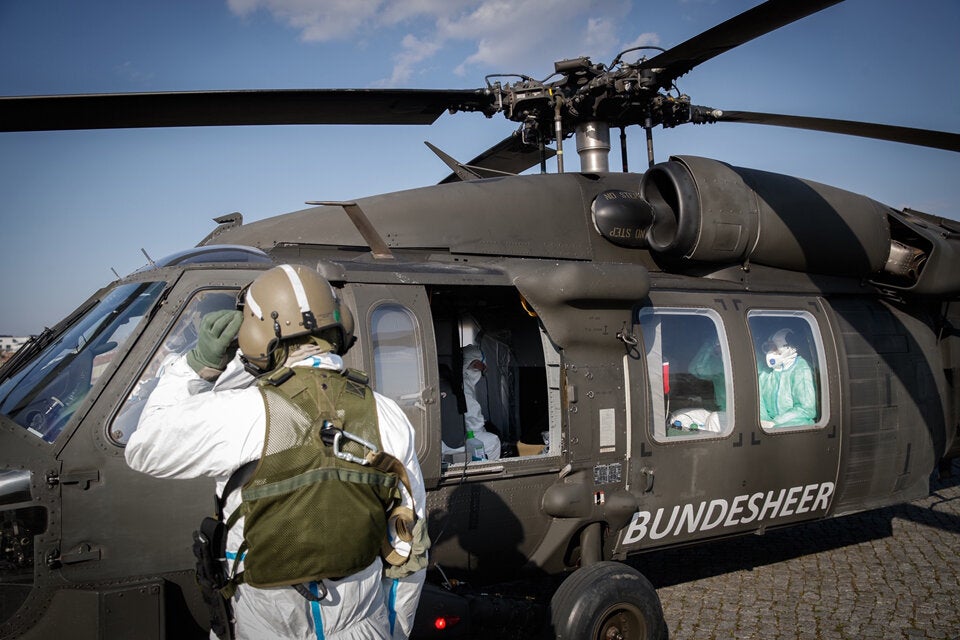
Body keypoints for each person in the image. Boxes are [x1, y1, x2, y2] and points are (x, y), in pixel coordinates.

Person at [126, 264, 428, 640]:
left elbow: (145, 448)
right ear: (340, 324)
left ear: (254, 333)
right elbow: (407, 549)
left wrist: (197, 367)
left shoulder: (242, 412)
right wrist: (393, 632)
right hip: (365, 627)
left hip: (267, 627)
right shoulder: (387, 414)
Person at [758, 328, 817, 428]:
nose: (771, 352)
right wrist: (762, 423)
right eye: (769, 347)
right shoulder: (766, 372)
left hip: (794, 426)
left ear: (791, 348)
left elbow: (806, 409)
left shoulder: (801, 369)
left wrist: (775, 423)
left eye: (775, 347)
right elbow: (759, 404)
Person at [461, 343, 501, 460]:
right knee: (493, 441)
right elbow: (474, 427)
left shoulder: (457, 384)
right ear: (477, 364)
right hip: (463, 440)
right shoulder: (465, 391)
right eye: (481, 367)